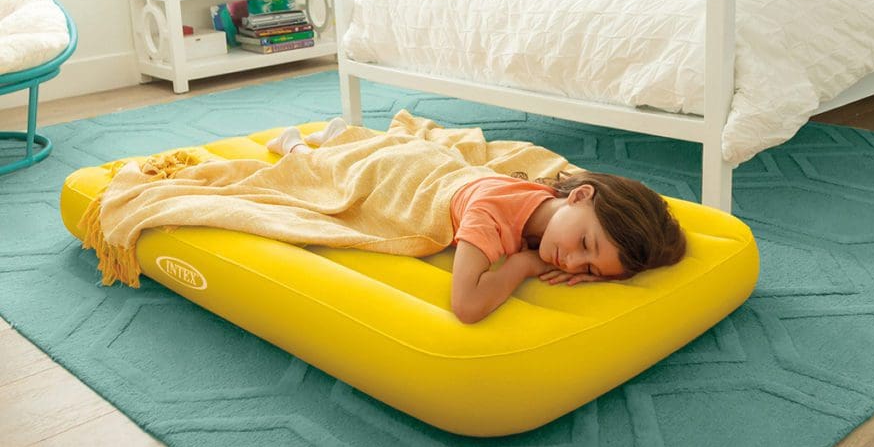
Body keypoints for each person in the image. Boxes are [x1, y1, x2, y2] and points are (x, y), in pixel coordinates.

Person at [268, 118, 687, 324]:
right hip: (400, 177)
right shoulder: (490, 217)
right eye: (585, 246)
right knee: (331, 175)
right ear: (579, 195)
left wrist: (606, 268)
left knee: (375, 152)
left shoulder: (557, 208)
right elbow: (466, 306)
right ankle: (298, 148)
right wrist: (522, 265)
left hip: (432, 164)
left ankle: (343, 136)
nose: (571, 263)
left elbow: (599, 236)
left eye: (589, 269)